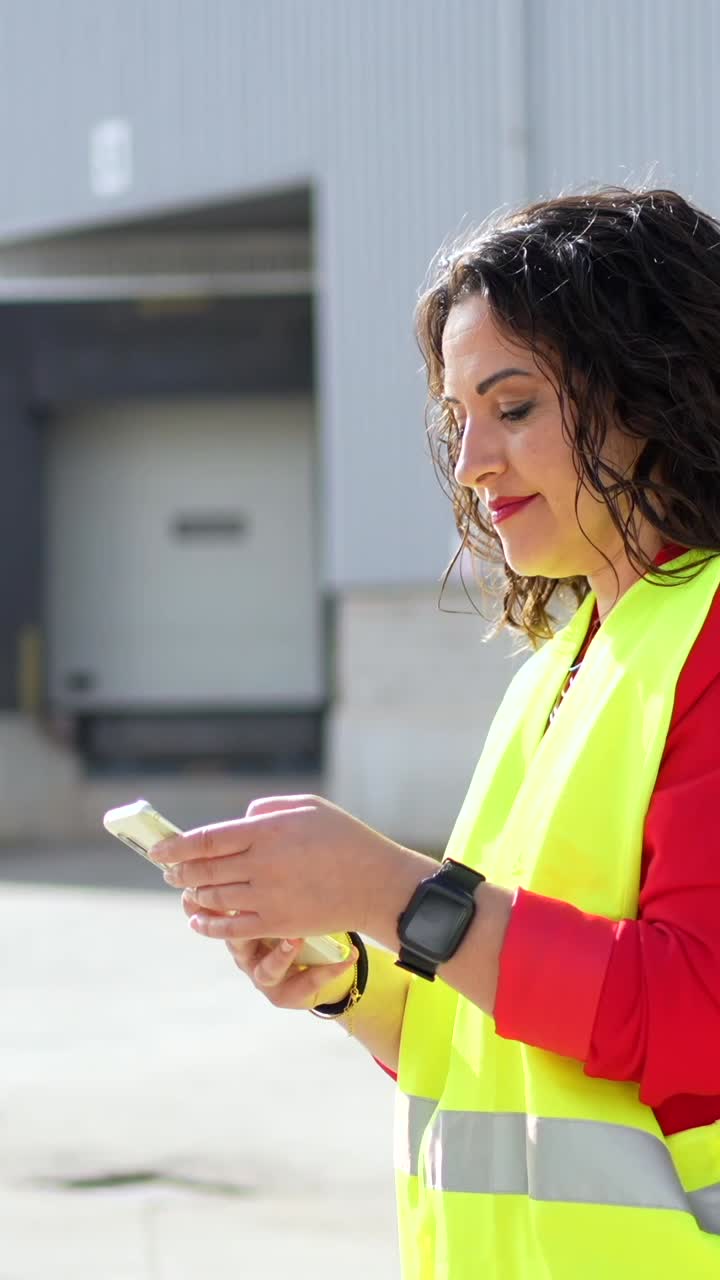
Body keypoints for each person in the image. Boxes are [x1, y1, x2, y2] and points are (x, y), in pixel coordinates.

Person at [149, 187, 720, 1278]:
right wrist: (357, 981)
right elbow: (511, 1039)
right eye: (458, 417)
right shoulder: (564, 662)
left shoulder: (710, 640)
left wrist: (397, 894)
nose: (471, 463)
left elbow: (697, 1013)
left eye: (513, 407)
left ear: (656, 386)